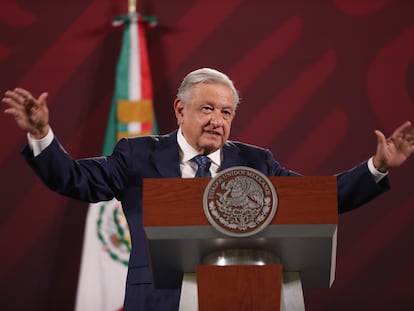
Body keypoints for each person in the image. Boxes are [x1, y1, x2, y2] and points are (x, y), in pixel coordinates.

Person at [2, 68, 414, 310]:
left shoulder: (256, 162)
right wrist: (43, 136)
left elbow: (320, 199)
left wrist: (377, 167)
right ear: (180, 109)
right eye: (208, 109)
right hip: (159, 301)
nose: (218, 120)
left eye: (227, 111)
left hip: (243, 300)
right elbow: (75, 180)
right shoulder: (138, 156)